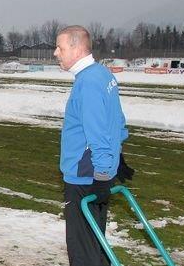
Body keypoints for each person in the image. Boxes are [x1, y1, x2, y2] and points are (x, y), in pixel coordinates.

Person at [54, 26, 134, 266]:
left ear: (77, 48)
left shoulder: (88, 82)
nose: (56, 53)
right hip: (97, 172)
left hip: (84, 177)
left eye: (60, 47)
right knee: (95, 243)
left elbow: (97, 133)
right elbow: (117, 120)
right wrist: (117, 158)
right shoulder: (102, 74)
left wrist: (101, 175)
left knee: (82, 250)